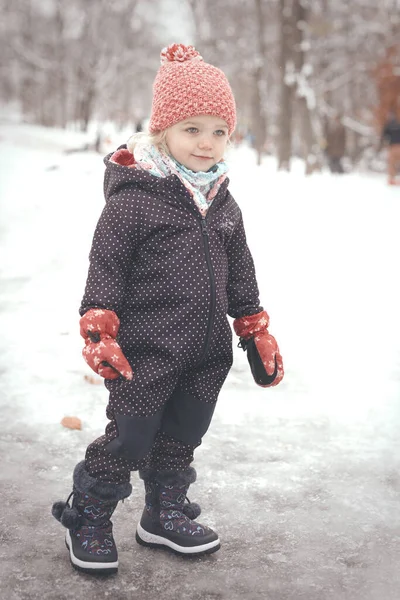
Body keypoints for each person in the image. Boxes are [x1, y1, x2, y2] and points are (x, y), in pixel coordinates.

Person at [51, 43, 284, 575]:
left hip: (205, 351)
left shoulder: (222, 199)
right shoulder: (136, 197)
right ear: (163, 132)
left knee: (184, 434)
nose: (207, 143)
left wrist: (253, 327)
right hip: (145, 351)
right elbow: (105, 266)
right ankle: (87, 513)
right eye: (192, 129)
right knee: (130, 437)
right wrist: (98, 327)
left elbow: (240, 267)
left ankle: (165, 512)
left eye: (219, 131)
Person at [380, 111, 400, 185]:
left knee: (391, 163)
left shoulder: (388, 125)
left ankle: (391, 178)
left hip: (392, 147)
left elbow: (384, 136)